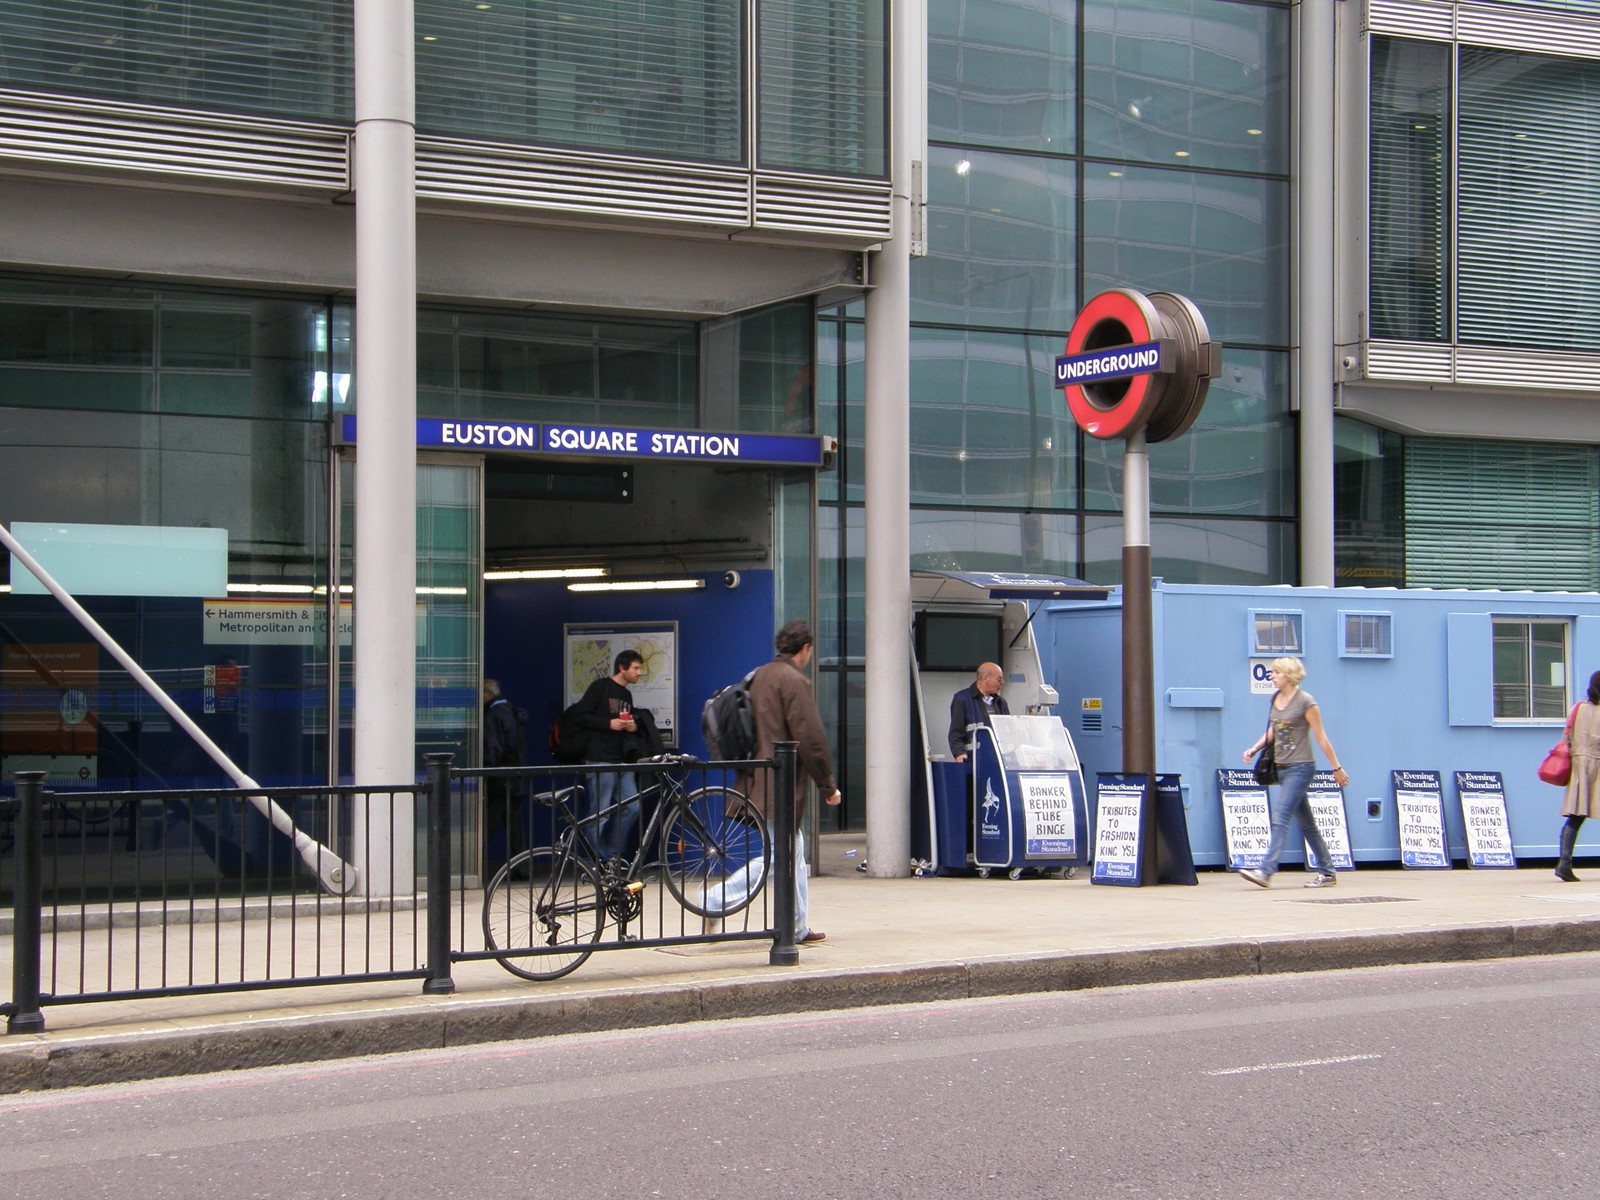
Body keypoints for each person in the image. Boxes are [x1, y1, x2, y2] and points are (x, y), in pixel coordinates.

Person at [707, 619, 842, 944]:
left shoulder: (759, 676)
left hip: (754, 779)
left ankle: (796, 926)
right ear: (806, 649)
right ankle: (714, 901)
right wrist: (828, 785)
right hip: (777, 786)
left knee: (791, 853)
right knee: (779, 856)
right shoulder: (793, 681)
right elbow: (810, 738)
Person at [1239, 656, 1350, 889]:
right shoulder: (1275, 699)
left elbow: (1320, 736)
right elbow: (1273, 731)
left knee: (1280, 817)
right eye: (1272, 672)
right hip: (1281, 768)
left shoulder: (1305, 702)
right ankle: (1328, 872)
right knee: (1307, 824)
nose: (1272, 676)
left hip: (1301, 767)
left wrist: (1336, 767)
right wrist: (1254, 748)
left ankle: (1265, 871)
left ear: (1288, 675)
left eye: (1277, 672)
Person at [573, 649, 643, 861]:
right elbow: (580, 714)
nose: (639, 673)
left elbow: (623, 721)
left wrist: (631, 726)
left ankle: (612, 854)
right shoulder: (600, 687)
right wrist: (608, 724)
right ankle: (597, 859)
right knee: (600, 813)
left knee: (633, 807)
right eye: (636, 668)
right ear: (622, 668)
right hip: (599, 757)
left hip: (620, 758)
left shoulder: (627, 694)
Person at [1555, 670, 1600, 882]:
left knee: (1575, 816)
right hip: (1597, 766)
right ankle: (1564, 864)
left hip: (1579, 767)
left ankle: (1564, 862)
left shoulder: (1577, 709)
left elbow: (1566, 737)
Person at [481, 679, 525, 878]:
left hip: (499, 778)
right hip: (515, 776)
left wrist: (487, 771)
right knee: (514, 827)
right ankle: (522, 869)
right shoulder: (512, 712)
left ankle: (472, 866)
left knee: (487, 824)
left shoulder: (493, 715)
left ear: (487, 695)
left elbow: (493, 748)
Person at [948, 661, 1009, 762]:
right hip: (974, 761)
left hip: (997, 761)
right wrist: (959, 753)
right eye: (999, 679)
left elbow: (1007, 733)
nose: (1002, 683)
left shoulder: (1001, 703)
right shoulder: (962, 699)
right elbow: (956, 732)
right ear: (985, 679)